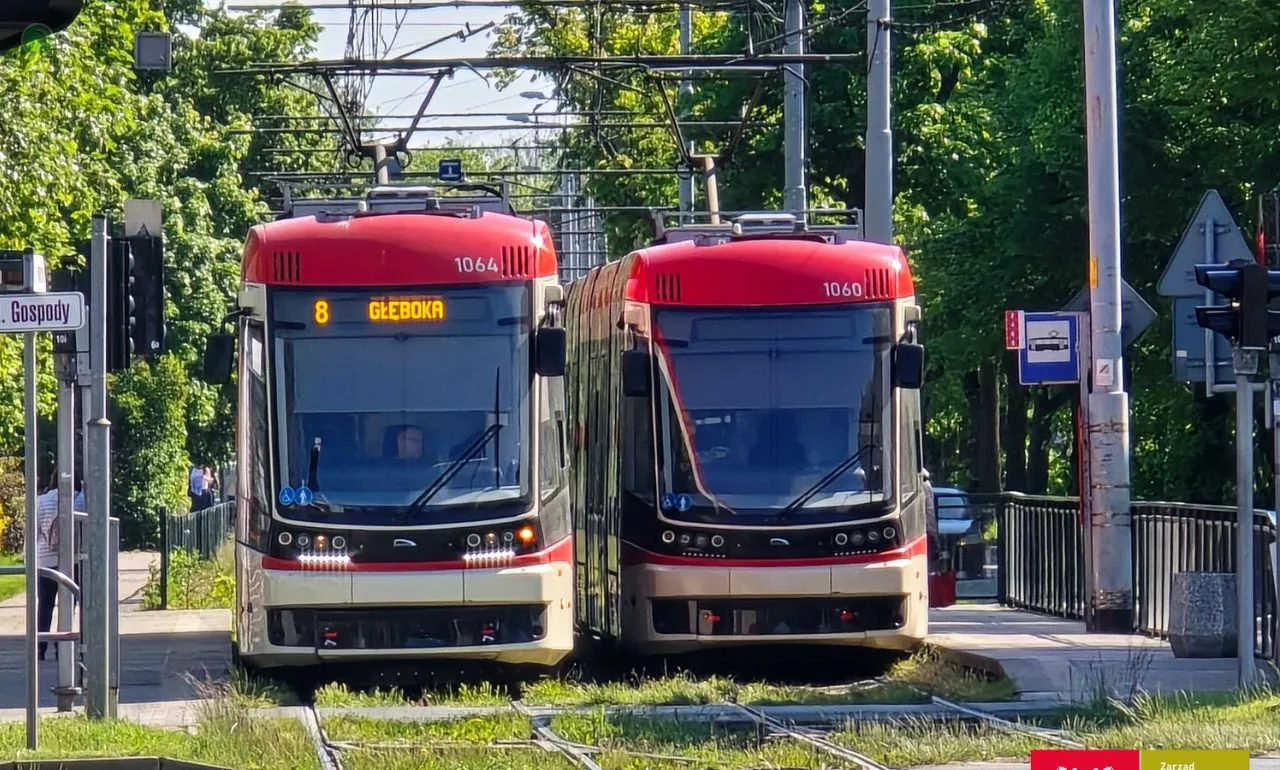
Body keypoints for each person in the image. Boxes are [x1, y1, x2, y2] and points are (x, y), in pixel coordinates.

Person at [35, 470, 84, 661]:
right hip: (70, 559)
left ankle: (40, 646)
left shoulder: (41, 501)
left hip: (46, 560)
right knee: (68, 604)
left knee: (45, 605)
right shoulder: (81, 500)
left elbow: (35, 531)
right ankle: (61, 646)